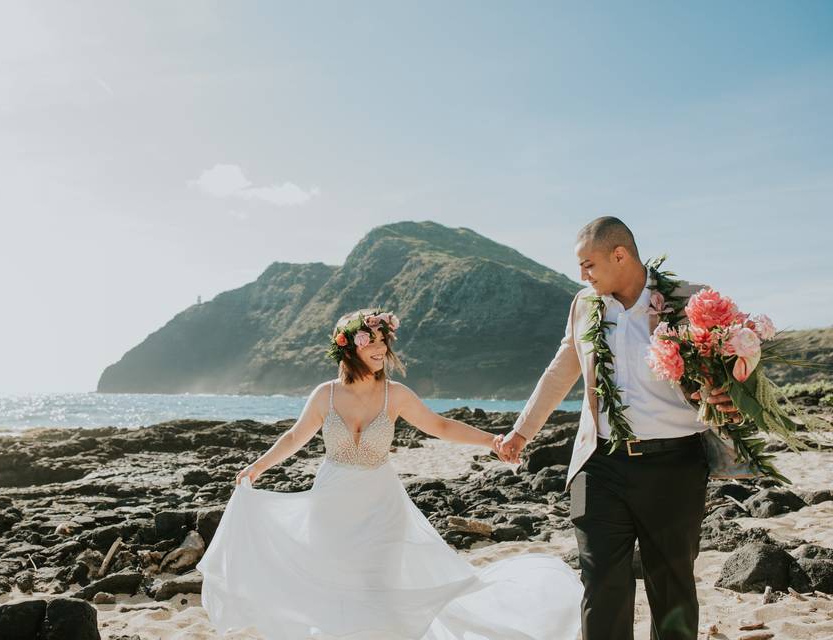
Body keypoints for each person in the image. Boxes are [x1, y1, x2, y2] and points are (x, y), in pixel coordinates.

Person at [196, 308, 582, 640]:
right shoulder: (325, 395)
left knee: (377, 586)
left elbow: (440, 426)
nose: (381, 349)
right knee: (337, 587)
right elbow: (296, 436)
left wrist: (492, 442)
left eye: (384, 342)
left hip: (381, 504)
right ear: (350, 347)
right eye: (372, 342)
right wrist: (257, 467)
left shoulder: (394, 394)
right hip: (331, 503)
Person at [498, 217, 739, 640]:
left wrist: (729, 397)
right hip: (600, 463)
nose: (582, 275)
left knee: (672, 585)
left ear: (620, 255)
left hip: (675, 464)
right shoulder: (583, 305)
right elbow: (560, 372)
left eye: (588, 264)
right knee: (601, 585)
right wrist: (522, 432)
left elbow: (734, 373)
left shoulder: (691, 300)